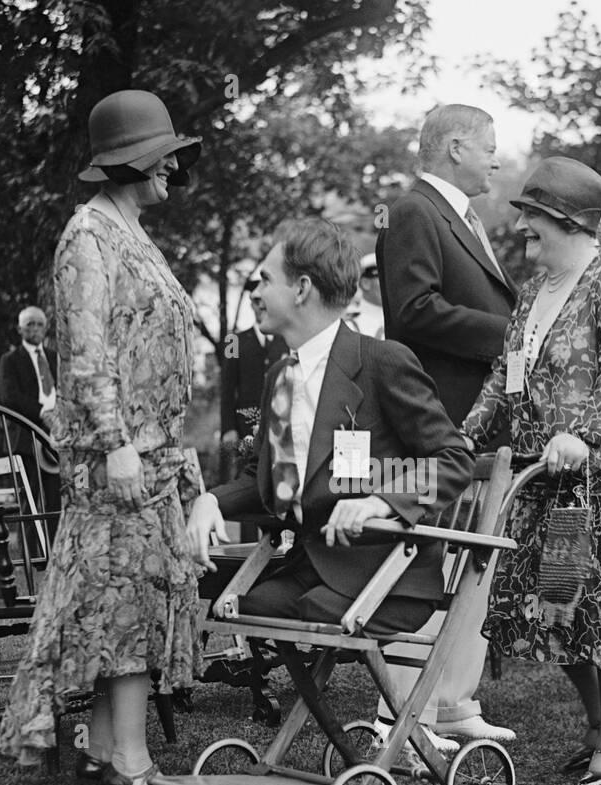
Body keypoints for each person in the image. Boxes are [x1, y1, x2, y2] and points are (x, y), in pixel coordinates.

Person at [0, 90, 204, 785]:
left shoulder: (132, 231)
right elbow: (86, 354)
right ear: (136, 160)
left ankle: (115, 748)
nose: (175, 168)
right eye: (166, 156)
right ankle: (133, 759)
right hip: (118, 458)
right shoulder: (88, 235)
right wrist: (115, 442)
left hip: (154, 455)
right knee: (125, 602)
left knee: (134, 601)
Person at [462, 158, 601, 785]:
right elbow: (504, 371)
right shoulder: (532, 291)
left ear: (569, 220)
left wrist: (584, 433)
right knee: (551, 612)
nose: (522, 229)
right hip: (542, 481)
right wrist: (464, 433)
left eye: (532, 217)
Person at [186, 216, 474, 644]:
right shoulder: (280, 376)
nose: (257, 293)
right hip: (309, 567)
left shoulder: (382, 363)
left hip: (386, 571)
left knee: (294, 613)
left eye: (266, 281)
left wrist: (381, 501)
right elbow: (269, 478)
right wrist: (211, 499)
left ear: (301, 289)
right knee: (236, 607)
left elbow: (454, 459)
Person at [374, 102, 517, 743]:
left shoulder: (461, 216)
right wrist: (511, 335)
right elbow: (413, 311)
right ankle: (403, 714)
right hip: (434, 419)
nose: (497, 158)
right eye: (490, 146)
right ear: (456, 146)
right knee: (427, 559)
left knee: (472, 562)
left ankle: (455, 702)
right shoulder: (413, 212)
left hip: (474, 424)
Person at [219, 272, 288, 486]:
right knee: (247, 481)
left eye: (265, 301)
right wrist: (228, 428)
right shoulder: (234, 341)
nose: (261, 306)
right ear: (251, 304)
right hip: (245, 428)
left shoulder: (287, 341)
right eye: (256, 301)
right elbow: (227, 388)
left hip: (279, 425)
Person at [0, 305, 61, 527]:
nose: (35, 329)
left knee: (60, 499)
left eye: (39, 324)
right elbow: (9, 397)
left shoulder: (57, 358)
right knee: (31, 502)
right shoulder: (10, 360)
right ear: (19, 329)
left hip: (59, 438)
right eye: (29, 324)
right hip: (27, 439)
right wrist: (43, 413)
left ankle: (58, 555)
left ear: (46, 328)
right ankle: (35, 558)